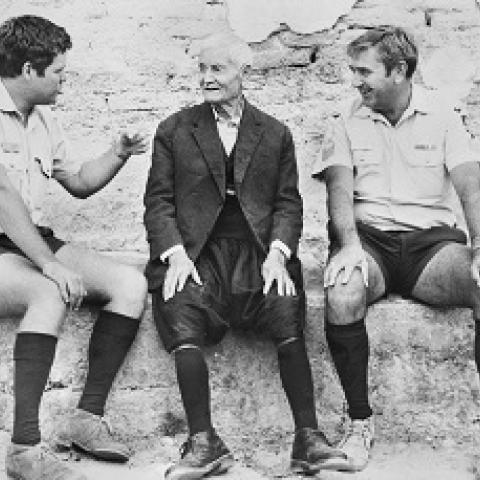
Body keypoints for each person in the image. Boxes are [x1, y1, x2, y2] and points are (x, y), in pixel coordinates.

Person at [144, 31, 345, 480]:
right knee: (180, 304)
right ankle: (203, 441)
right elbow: (158, 203)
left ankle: (307, 438)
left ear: (244, 72)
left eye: (217, 69)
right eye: (202, 69)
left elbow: (288, 204)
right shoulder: (174, 130)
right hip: (197, 251)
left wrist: (278, 253)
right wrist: (175, 256)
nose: (207, 78)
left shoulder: (274, 134)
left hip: (257, 251)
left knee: (283, 301)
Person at [312, 25, 480, 472]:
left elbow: (469, 185)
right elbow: (339, 190)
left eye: (364, 71)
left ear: (399, 70)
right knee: (343, 290)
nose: (356, 81)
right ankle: (359, 425)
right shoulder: (347, 119)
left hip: (431, 248)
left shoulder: (443, 116)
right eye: (353, 71)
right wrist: (347, 246)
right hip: (371, 245)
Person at [0, 15, 148, 480]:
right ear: (29, 69)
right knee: (49, 292)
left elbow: (80, 184)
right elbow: (2, 201)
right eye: (59, 72)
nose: (65, 81)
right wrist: (48, 266)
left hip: (31, 239)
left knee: (129, 282)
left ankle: (85, 419)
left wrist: (118, 153)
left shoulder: (43, 119)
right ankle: (23, 450)